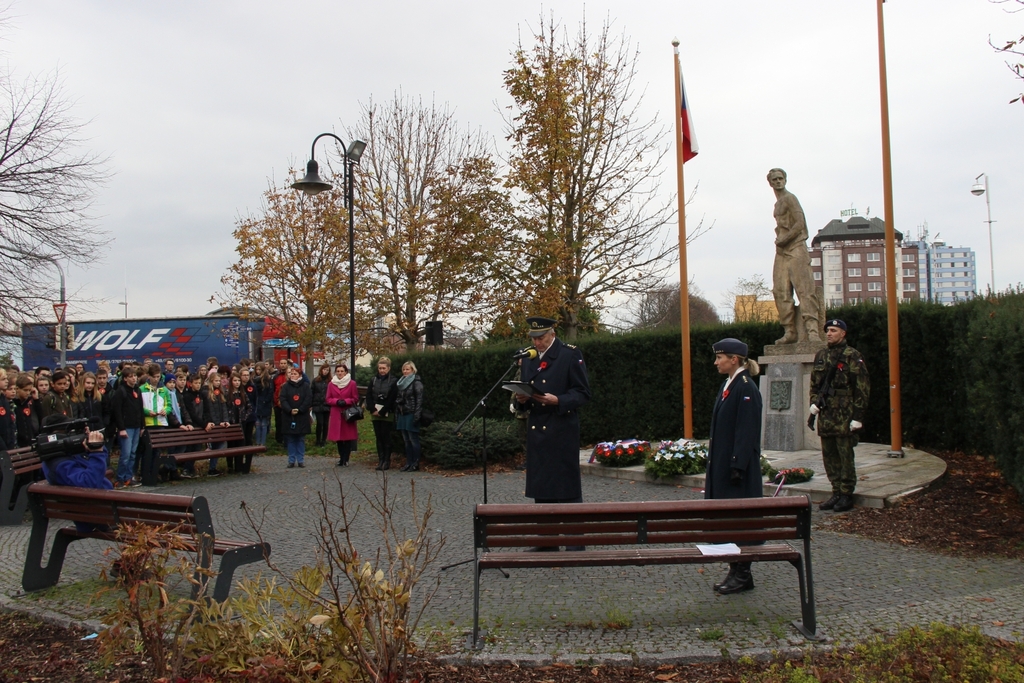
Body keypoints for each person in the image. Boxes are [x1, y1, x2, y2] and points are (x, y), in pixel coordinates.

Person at [514, 316, 592, 535]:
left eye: (541, 338)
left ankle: (574, 539)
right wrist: (521, 400)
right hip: (537, 428)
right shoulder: (529, 358)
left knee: (566, 485)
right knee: (542, 486)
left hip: (561, 428)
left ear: (552, 334)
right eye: (534, 338)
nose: (537, 343)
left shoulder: (569, 354)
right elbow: (526, 390)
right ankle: (546, 538)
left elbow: (583, 393)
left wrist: (558, 400)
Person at [705, 338, 764, 595]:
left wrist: (737, 465)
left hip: (736, 471)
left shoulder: (745, 386)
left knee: (739, 521)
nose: (716, 362)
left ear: (734, 360)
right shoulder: (728, 384)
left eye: (720, 358)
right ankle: (735, 569)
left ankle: (743, 572)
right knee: (728, 521)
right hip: (724, 467)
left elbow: (746, 429)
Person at [809, 319, 870, 513]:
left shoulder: (852, 355)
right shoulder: (821, 355)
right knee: (829, 456)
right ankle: (835, 491)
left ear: (843, 333)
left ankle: (846, 494)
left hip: (844, 414)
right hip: (826, 413)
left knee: (845, 455)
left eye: (833, 330)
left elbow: (862, 388)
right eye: (827, 330)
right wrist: (814, 403)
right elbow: (815, 384)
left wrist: (858, 416)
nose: (828, 333)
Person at [767, 168, 821, 344]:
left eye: (780, 178)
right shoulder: (777, 204)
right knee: (780, 290)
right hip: (782, 250)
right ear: (770, 182)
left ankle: (812, 330)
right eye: (774, 179)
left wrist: (785, 238)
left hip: (796, 246)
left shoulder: (791, 198)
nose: (778, 181)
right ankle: (789, 330)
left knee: (804, 289)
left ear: (785, 180)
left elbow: (800, 224)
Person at [108, 368, 144, 488]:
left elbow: (140, 409)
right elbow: (117, 411)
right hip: (126, 427)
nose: (134, 378)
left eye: (135, 376)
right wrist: (121, 428)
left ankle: (129, 477)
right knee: (125, 454)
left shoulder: (137, 390)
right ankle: (120, 479)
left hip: (136, 426)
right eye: (131, 376)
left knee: (133, 454)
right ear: (125, 378)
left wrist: (142, 425)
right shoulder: (121, 391)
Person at [326, 363, 360, 467]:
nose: (340, 373)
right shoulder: (331, 384)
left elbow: (355, 398)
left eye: (342, 371)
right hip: (336, 412)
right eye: (338, 371)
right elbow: (328, 399)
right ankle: (341, 458)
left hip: (348, 412)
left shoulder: (352, 383)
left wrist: (346, 401)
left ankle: (346, 458)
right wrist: (336, 401)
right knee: (339, 438)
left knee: (348, 437)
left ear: (346, 372)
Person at [367, 357, 398, 471]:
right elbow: (369, 395)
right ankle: (380, 460)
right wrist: (372, 409)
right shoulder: (373, 380)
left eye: (384, 368)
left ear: (388, 368)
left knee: (386, 436)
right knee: (378, 436)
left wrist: (383, 410)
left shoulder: (393, 381)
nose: (382, 370)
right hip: (375, 411)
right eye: (380, 368)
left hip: (386, 412)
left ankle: (386, 460)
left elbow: (392, 398)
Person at [279, 366, 311, 468]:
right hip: (289, 416)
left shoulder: (306, 386)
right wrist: (289, 410)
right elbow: (283, 399)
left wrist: (300, 409)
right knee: (291, 439)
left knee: (300, 439)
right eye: (291, 374)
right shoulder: (285, 386)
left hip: (302, 416)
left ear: (300, 375)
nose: (292, 376)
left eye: (295, 374)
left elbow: (308, 399)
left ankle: (301, 460)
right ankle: (291, 460)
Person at [394, 361, 424, 472]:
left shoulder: (416, 383)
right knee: (406, 440)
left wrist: (416, 415)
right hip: (403, 413)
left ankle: (415, 463)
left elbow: (419, 401)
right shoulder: (401, 383)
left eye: (408, 369)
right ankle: (408, 462)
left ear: (413, 370)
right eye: (404, 369)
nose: (405, 371)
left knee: (413, 439)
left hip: (411, 413)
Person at [203, 372, 230, 476]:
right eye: (216, 381)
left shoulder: (221, 392)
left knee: (219, 443)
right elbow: (209, 410)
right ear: (211, 381)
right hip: (212, 422)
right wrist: (216, 422)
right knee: (215, 444)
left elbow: (224, 408)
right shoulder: (207, 392)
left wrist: (225, 420)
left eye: (219, 381)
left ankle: (212, 467)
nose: (218, 383)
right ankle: (211, 467)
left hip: (219, 422)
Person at [13, 374, 41, 448]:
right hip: (18, 441)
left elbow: (40, 416)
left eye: (29, 390)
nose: (28, 393)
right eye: (25, 390)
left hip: (30, 438)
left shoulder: (29, 402)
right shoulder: (13, 404)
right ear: (17, 389)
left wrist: (36, 399)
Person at [252, 363, 274, 447]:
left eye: (259, 370)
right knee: (257, 424)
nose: (258, 371)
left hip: (265, 404)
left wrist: (265, 401)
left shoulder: (267, 379)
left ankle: (262, 443)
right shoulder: (253, 379)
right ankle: (257, 443)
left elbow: (270, 392)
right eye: (256, 370)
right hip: (257, 403)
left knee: (264, 424)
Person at [311, 363, 332, 448]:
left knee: (326, 423)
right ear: (321, 370)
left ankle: (324, 440)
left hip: (327, 404)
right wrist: (311, 404)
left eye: (327, 370)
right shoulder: (316, 380)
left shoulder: (330, 381)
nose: (325, 371)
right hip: (317, 404)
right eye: (324, 369)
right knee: (320, 423)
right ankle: (318, 440)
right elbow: (312, 392)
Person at [0, 369, 16, 452]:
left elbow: (10, 423)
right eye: (3, 379)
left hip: (8, 444)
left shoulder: (4, 400)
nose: (6, 381)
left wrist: (11, 442)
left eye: (6, 379)